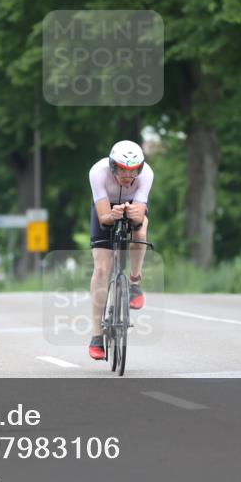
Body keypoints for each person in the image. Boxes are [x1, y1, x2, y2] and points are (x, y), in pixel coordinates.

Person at [88, 140, 154, 360]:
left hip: (134, 206)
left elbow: (139, 217)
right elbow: (103, 218)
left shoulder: (146, 175)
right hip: (107, 209)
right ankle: (97, 336)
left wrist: (134, 217)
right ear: (112, 166)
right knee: (101, 270)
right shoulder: (98, 172)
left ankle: (135, 281)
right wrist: (112, 216)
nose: (128, 176)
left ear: (140, 168)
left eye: (133, 170)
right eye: (123, 171)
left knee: (140, 232)